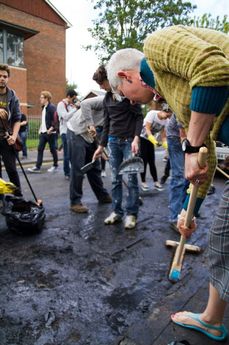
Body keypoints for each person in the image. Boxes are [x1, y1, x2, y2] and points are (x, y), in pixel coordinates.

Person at [106, 25, 229, 342]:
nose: (131, 103)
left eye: (124, 95)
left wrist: (190, 146)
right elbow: (207, 158)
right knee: (222, 239)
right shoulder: (172, 91)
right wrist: (191, 213)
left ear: (126, 76)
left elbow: (214, 68)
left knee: (224, 240)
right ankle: (212, 320)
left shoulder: (155, 47)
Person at [92, 65, 143, 229]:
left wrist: (136, 139)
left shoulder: (128, 94)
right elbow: (107, 123)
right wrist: (101, 146)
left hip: (129, 141)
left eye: (102, 83)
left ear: (110, 79)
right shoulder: (107, 99)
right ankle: (117, 212)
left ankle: (131, 214)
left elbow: (138, 117)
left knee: (131, 179)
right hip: (113, 142)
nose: (101, 87)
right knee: (115, 180)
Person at [67, 95, 111, 213]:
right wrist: (91, 124)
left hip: (91, 137)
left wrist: (102, 148)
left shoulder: (119, 112)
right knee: (78, 168)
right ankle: (75, 202)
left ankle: (102, 195)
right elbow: (85, 104)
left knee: (95, 167)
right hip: (77, 131)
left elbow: (105, 130)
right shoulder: (106, 100)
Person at [0, 64, 22, 196]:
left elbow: (17, 119)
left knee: (12, 170)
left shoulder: (12, 96)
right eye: (0, 76)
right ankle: (1, 198)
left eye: (5, 76)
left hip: (6, 139)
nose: (2, 78)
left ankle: (18, 197)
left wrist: (14, 136)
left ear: (8, 78)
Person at [28, 91, 58, 173]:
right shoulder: (43, 108)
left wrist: (51, 128)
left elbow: (55, 119)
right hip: (43, 133)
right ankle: (37, 166)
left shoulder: (52, 107)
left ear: (46, 98)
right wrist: (41, 128)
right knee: (40, 149)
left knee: (52, 150)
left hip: (50, 133)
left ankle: (55, 165)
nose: (40, 99)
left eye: (41, 97)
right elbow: (44, 120)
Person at [139, 102, 166, 192]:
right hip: (142, 138)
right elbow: (147, 129)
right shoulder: (152, 114)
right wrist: (154, 141)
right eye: (166, 115)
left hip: (151, 139)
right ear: (162, 110)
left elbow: (163, 135)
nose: (167, 118)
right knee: (144, 161)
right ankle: (143, 182)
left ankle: (156, 182)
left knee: (152, 161)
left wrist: (166, 145)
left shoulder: (166, 120)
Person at [56, 89, 79, 179]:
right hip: (65, 132)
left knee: (74, 153)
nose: (74, 100)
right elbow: (65, 117)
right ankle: (67, 173)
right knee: (67, 153)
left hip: (73, 131)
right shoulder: (61, 104)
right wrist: (75, 109)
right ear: (68, 96)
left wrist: (76, 108)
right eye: (73, 98)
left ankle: (75, 171)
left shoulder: (71, 105)